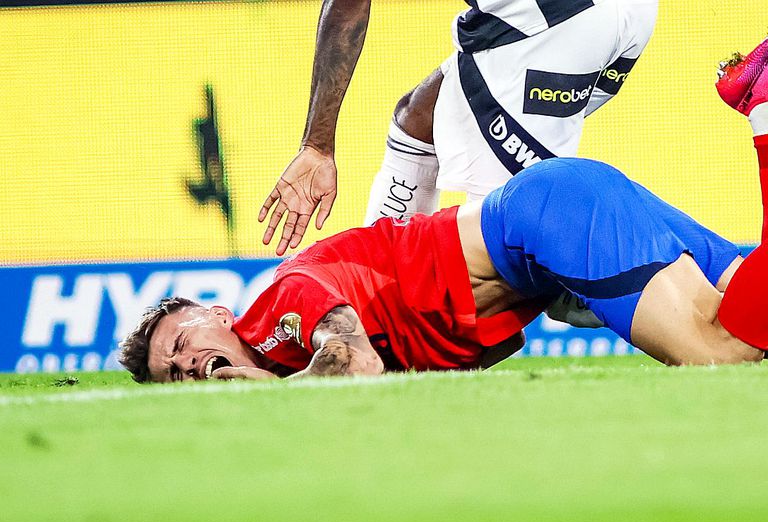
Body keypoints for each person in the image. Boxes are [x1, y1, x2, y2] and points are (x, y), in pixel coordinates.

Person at [118, 36, 768, 383]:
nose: (186, 365)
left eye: (180, 342)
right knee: (749, 310)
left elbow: (356, 363)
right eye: (172, 374)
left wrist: (261, 394)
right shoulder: (283, 344)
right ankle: (757, 100)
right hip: (551, 211)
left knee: (720, 353)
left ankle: (763, 112)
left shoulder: (277, 316)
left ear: (216, 313)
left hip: (547, 217)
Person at [258, 0, 658, 256]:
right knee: (418, 119)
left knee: (503, 242)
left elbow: (346, 9)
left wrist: (317, 145)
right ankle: (378, 280)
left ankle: (633, 283)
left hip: (560, 20)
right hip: (620, 15)